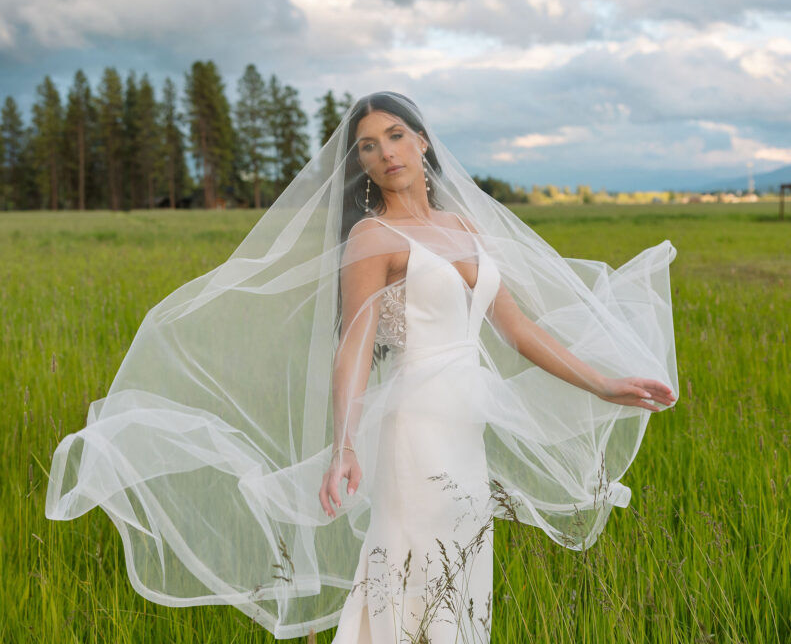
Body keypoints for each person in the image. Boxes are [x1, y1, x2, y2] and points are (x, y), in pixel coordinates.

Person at [46, 91, 678, 642]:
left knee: (462, 575)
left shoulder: (465, 227)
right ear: (362, 165)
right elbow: (352, 345)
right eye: (369, 147)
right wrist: (345, 444)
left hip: (466, 427)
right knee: (411, 572)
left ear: (423, 141)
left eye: (396, 135)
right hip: (415, 425)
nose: (386, 153)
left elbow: (517, 330)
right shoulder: (372, 238)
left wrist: (604, 382)